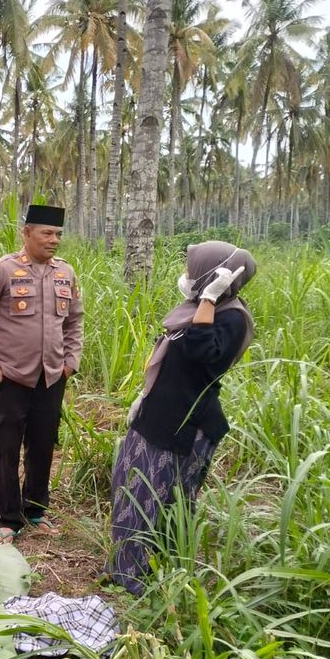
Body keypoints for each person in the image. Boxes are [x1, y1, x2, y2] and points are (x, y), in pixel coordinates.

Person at [105, 240, 256, 595]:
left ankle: (145, 581)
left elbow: (202, 350)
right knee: (129, 490)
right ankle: (123, 570)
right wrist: (144, 398)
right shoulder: (193, 308)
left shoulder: (232, 317)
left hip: (184, 427)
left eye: (194, 270)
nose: (187, 275)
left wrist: (209, 298)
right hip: (156, 415)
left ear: (215, 274)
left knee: (159, 502)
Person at [0, 204, 84, 545]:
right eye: (47, 233)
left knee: (43, 445)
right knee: (5, 447)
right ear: (26, 233)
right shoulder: (2, 270)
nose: (54, 240)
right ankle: (8, 519)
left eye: (58, 234)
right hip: (11, 377)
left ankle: (35, 511)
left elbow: (75, 321)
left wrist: (69, 362)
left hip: (51, 378)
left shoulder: (65, 273)